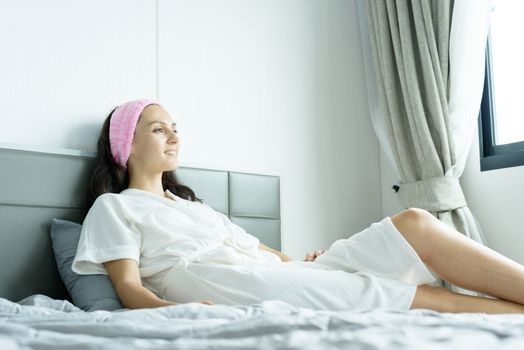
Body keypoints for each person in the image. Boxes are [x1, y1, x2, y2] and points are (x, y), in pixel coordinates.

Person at [73, 99, 524, 314]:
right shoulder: (116, 207)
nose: (174, 136)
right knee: (421, 298)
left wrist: (308, 258)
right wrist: (173, 313)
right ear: (123, 146)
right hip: (232, 286)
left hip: (275, 273)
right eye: (158, 130)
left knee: (415, 223)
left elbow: (271, 255)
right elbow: (129, 289)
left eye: (175, 127)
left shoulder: (194, 207)